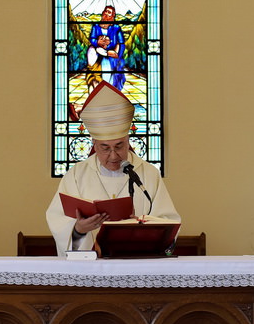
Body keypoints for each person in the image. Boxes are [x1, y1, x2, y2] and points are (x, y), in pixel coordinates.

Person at [46, 82, 179, 254]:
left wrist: (143, 225)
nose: (114, 155)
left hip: (138, 263)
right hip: (92, 268)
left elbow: (169, 221)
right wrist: (79, 229)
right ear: (94, 144)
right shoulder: (77, 175)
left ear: (128, 141)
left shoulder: (148, 174)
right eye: (105, 148)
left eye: (119, 146)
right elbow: (58, 221)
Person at [88, 5, 126, 90]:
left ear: (112, 16)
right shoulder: (96, 26)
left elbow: (121, 43)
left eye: (109, 12)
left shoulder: (116, 28)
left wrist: (117, 55)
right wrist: (98, 42)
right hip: (99, 56)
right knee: (99, 77)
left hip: (112, 56)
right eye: (105, 11)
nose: (106, 13)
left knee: (113, 77)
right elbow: (92, 39)